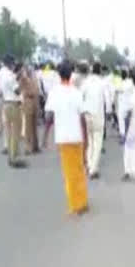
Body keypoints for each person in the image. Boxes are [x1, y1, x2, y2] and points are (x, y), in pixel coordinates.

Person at [42, 60, 89, 215]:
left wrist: (45, 136)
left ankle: (75, 206)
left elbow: (49, 117)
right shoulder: (76, 93)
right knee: (79, 170)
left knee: (69, 174)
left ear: (58, 74)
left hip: (63, 137)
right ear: (71, 74)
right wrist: (86, 137)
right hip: (76, 136)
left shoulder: (54, 93)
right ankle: (82, 201)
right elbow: (82, 118)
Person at [0, 55, 27, 168]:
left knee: (8, 132)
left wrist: (17, 77)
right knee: (16, 132)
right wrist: (22, 82)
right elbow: (17, 91)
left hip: (6, 103)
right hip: (14, 104)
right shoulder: (9, 75)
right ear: (10, 63)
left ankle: (10, 155)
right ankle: (14, 158)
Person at [81, 62, 109, 178]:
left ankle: (88, 164)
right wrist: (109, 112)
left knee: (90, 141)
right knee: (97, 142)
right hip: (98, 114)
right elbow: (108, 100)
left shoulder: (86, 82)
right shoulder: (102, 83)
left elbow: (80, 96)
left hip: (87, 113)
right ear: (101, 71)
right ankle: (93, 169)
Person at [18, 63, 42, 153]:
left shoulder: (35, 78)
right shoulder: (23, 79)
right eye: (27, 69)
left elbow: (37, 91)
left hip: (35, 101)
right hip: (28, 101)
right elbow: (18, 89)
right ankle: (27, 147)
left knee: (34, 126)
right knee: (28, 126)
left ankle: (35, 146)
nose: (29, 70)